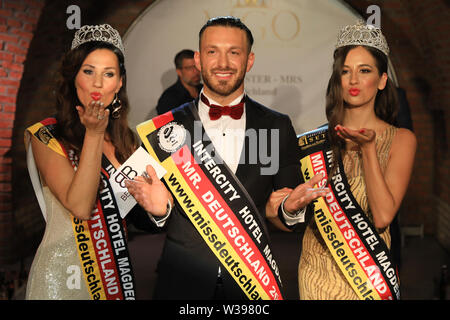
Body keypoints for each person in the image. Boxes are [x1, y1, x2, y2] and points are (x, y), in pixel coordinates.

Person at [128, 16, 328, 300]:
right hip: (181, 281)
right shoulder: (165, 128)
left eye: (234, 52)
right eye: (212, 51)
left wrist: (290, 209)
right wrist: (158, 212)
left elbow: (286, 210)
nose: (223, 63)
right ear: (198, 59)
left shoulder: (275, 126)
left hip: (252, 283)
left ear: (249, 61)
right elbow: (136, 215)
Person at [24, 24, 171, 300]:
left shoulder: (125, 139)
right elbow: (80, 206)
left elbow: (134, 215)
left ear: (119, 83)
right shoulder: (47, 135)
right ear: (73, 78)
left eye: (109, 74)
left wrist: (159, 209)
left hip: (113, 278)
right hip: (61, 281)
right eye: (88, 71)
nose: (98, 83)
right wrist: (93, 133)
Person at [284, 21, 416, 300]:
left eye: (364, 71)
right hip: (315, 271)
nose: (353, 80)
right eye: (346, 72)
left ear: (382, 80)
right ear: (338, 80)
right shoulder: (314, 141)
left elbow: (382, 217)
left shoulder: (402, 139)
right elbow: (284, 211)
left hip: (368, 274)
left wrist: (369, 150)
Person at [155, 49, 202, 115]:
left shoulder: (206, 90)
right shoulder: (169, 98)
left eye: (197, 66)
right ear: (179, 72)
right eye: (189, 68)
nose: (196, 71)